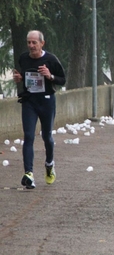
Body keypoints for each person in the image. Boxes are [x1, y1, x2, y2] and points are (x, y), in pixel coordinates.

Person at [12, 30, 66, 189]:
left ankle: (49, 164)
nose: (31, 45)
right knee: (28, 136)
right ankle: (28, 174)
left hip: (47, 101)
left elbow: (62, 80)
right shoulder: (23, 58)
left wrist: (50, 76)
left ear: (42, 43)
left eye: (34, 42)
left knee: (47, 136)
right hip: (30, 101)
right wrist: (20, 78)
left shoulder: (51, 59)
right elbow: (25, 75)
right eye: (29, 42)